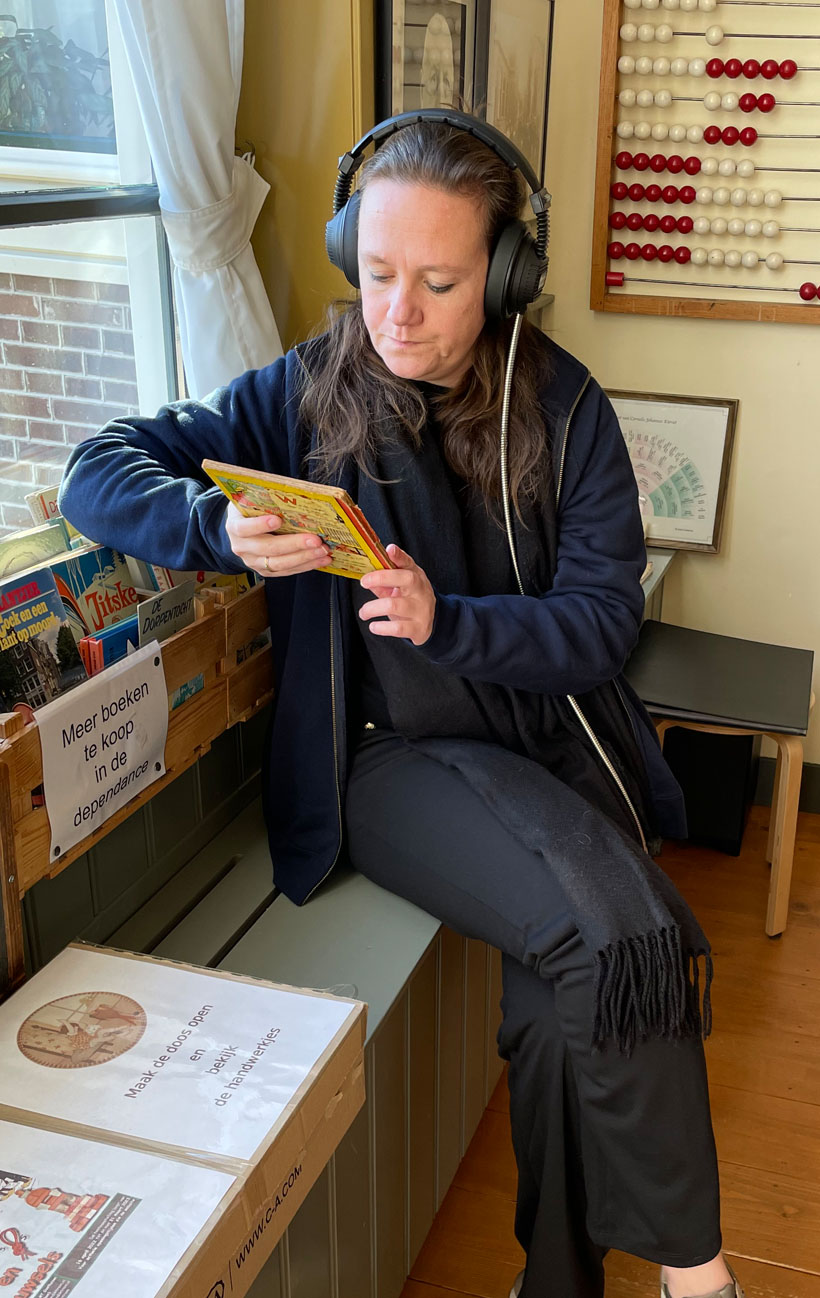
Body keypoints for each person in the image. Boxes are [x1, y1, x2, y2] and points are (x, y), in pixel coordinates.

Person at [59, 112, 744, 1298]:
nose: (397, 314)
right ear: (347, 252)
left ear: (506, 276)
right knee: (614, 937)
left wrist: (451, 622)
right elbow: (96, 468)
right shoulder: (301, 393)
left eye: (438, 281)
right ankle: (705, 1283)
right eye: (376, 273)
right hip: (387, 764)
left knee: (558, 1011)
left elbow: (601, 623)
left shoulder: (566, 407)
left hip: (545, 746)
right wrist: (212, 526)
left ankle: (563, 1281)